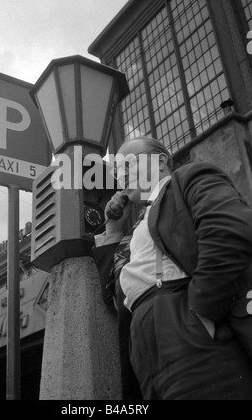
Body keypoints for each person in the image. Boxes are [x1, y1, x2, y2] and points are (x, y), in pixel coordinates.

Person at [93, 135, 252, 400]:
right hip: (147, 348)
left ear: (161, 162)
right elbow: (112, 294)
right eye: (118, 171)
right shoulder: (138, 229)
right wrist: (112, 230)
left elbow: (228, 232)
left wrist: (202, 311)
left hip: (185, 326)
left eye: (129, 164)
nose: (122, 175)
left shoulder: (188, 179)